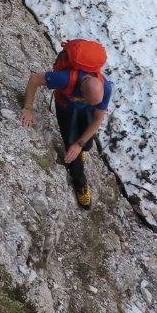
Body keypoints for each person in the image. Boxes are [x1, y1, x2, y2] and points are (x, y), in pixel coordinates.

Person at [19, 40, 112, 210]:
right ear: (82, 91)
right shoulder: (64, 79)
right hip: (65, 108)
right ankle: (80, 184)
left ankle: (82, 149)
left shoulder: (105, 88)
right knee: (72, 152)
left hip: (86, 112)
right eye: (88, 100)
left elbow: (98, 119)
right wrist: (27, 108)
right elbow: (34, 80)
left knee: (87, 142)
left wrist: (80, 143)